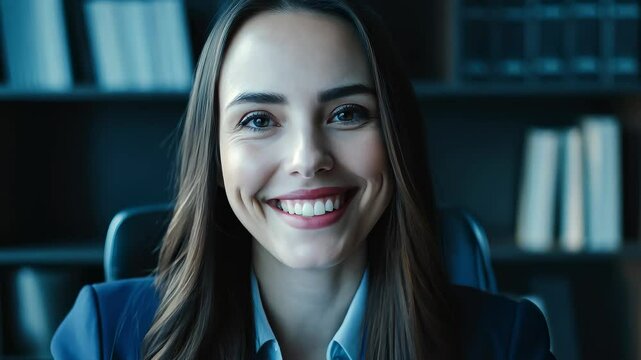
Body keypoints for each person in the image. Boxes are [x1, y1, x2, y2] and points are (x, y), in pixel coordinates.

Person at [51, 0, 556, 359]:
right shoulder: (104, 337)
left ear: (396, 137)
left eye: (347, 114)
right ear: (214, 154)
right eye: (258, 120)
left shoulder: (506, 342)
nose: (308, 158)